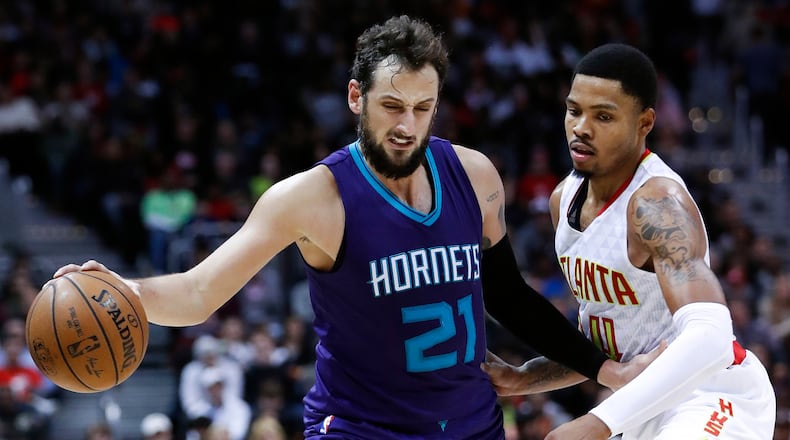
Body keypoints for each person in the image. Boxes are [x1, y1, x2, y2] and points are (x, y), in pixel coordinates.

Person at [54, 17, 656, 439]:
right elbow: (196, 292)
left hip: (472, 424)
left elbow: (510, 298)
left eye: (424, 109)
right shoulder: (312, 198)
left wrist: (605, 370)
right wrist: (127, 291)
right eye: (392, 106)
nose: (408, 126)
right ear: (355, 98)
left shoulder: (474, 175)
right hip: (363, 430)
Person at [482, 43, 777, 439]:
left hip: (712, 394)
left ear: (645, 122)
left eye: (603, 116)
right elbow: (609, 339)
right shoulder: (563, 201)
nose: (581, 127)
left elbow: (713, 337)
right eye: (574, 110)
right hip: (643, 407)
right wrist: (526, 378)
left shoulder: (656, 204)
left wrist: (596, 422)